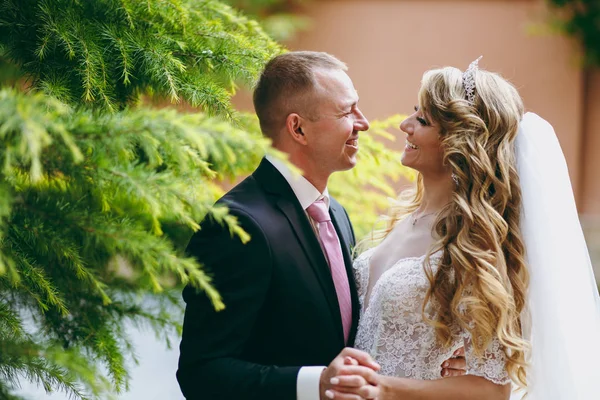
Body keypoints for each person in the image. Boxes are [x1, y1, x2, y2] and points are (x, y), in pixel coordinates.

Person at [176, 51, 466, 400]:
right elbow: (201, 372)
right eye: (347, 112)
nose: (364, 123)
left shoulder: (335, 215)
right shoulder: (239, 225)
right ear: (297, 128)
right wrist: (314, 383)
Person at [327, 58, 600, 400]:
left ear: (460, 143)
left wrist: (384, 388)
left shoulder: (475, 246)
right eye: (414, 112)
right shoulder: (399, 218)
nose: (404, 125)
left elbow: (491, 390)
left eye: (422, 120)